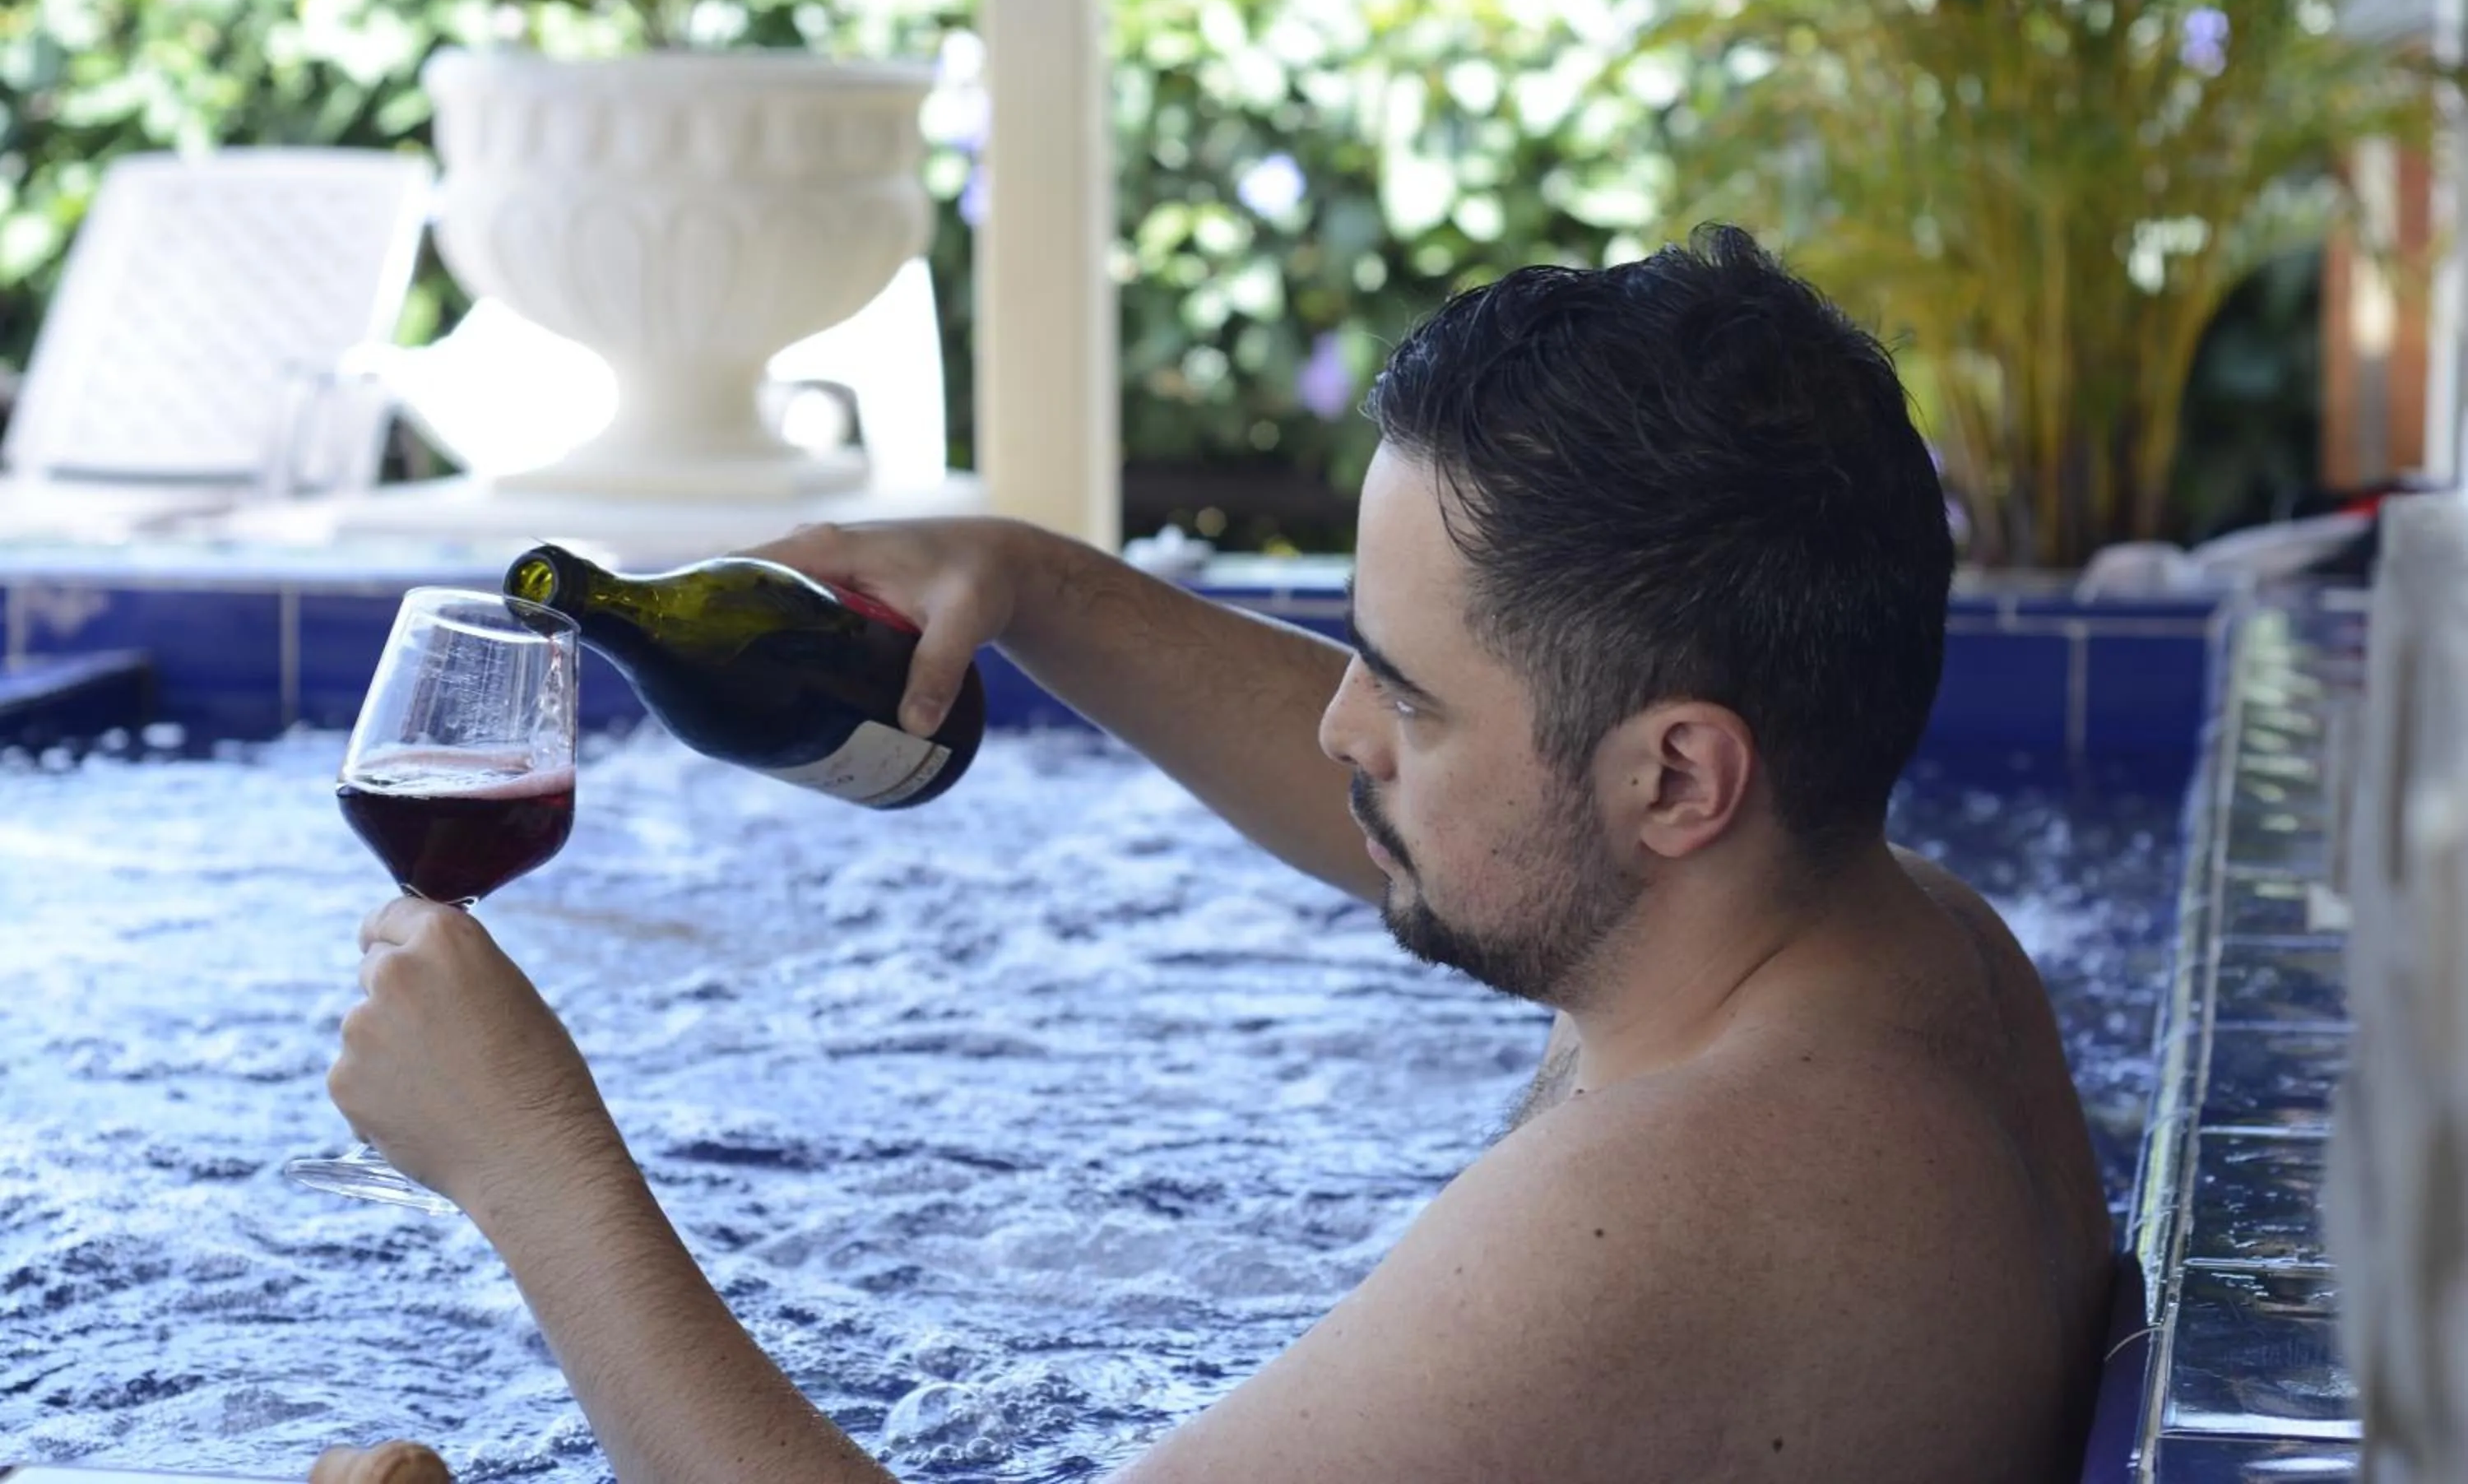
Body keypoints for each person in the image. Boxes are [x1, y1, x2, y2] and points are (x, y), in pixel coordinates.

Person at [315, 225, 2114, 1484]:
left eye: (1406, 692)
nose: (1340, 728)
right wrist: (1035, 585)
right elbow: (1484, 817)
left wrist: (532, 1162)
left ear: (1679, 778)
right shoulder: (1896, 948)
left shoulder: (1679, 1204)